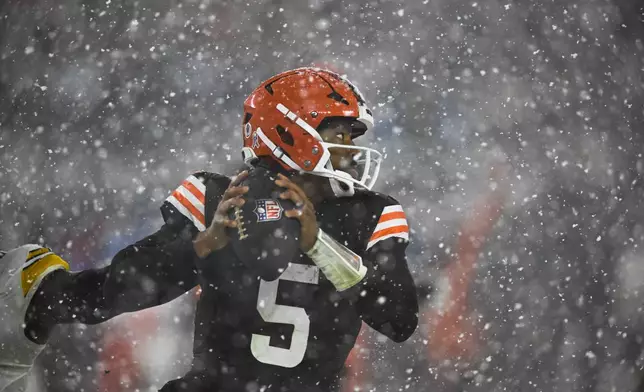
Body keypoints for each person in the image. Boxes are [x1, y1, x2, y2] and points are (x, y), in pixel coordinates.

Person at [0, 67, 418, 392]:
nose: (351, 148)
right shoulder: (221, 196)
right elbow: (125, 288)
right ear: (291, 132)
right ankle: (36, 296)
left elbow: (399, 319)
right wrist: (203, 246)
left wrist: (318, 244)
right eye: (340, 133)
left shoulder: (372, 212)